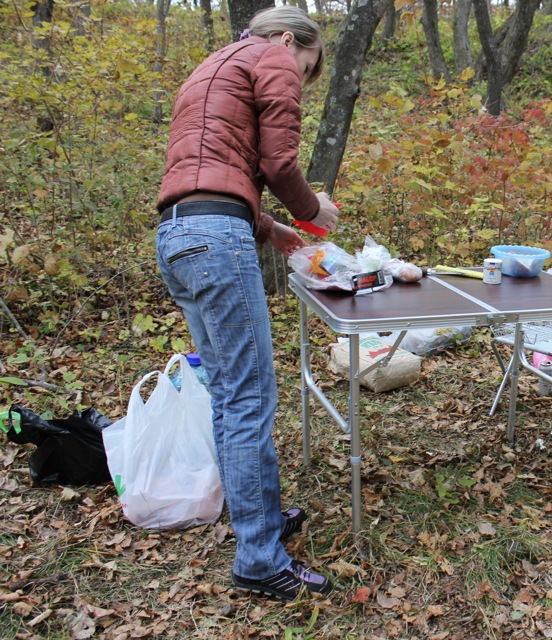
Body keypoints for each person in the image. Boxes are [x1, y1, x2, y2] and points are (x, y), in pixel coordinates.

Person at [155, 6, 339, 600]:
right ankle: (259, 558)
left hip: (178, 237)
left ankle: (257, 519)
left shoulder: (210, 68)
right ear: (290, 40)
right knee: (251, 398)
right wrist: (312, 214)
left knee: (229, 396)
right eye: (305, 65)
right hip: (217, 243)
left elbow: (210, 172)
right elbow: (277, 162)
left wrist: (268, 226)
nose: (300, 74)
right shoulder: (273, 56)